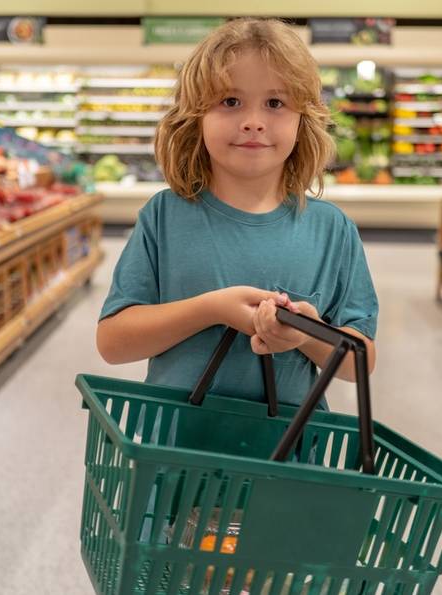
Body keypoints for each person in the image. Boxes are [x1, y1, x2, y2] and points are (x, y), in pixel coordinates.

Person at [96, 18, 378, 407]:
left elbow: (358, 365)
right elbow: (113, 343)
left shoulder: (332, 231)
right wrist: (211, 309)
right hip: (176, 452)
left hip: (288, 454)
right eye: (230, 101)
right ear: (196, 117)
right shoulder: (164, 217)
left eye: (276, 103)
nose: (253, 122)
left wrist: (309, 332)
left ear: (303, 120)